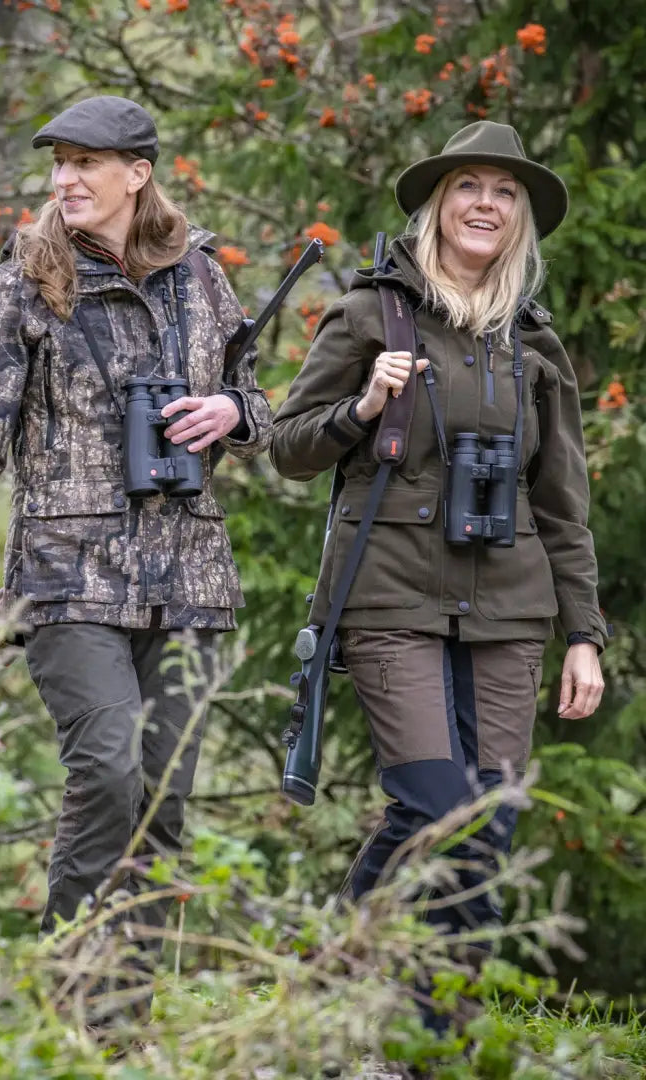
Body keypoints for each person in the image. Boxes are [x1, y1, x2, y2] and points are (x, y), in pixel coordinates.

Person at [0, 96, 272, 954]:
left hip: (189, 578)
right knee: (109, 770)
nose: (66, 179)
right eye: (60, 163)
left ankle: (127, 1017)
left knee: (163, 797)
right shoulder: (24, 282)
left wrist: (231, 410)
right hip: (68, 575)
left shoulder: (201, 275)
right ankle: (71, 993)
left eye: (86, 163)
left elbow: (260, 401)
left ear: (137, 174)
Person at [270, 121, 606, 952]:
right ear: (436, 204)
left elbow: (562, 502)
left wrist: (585, 636)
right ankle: (340, 987)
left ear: (519, 218)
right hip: (390, 597)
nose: (484, 203)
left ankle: (437, 1021)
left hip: (509, 606)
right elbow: (288, 448)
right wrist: (362, 408)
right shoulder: (367, 315)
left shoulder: (534, 344)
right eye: (467, 185)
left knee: (487, 821)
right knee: (432, 805)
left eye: (503, 191)